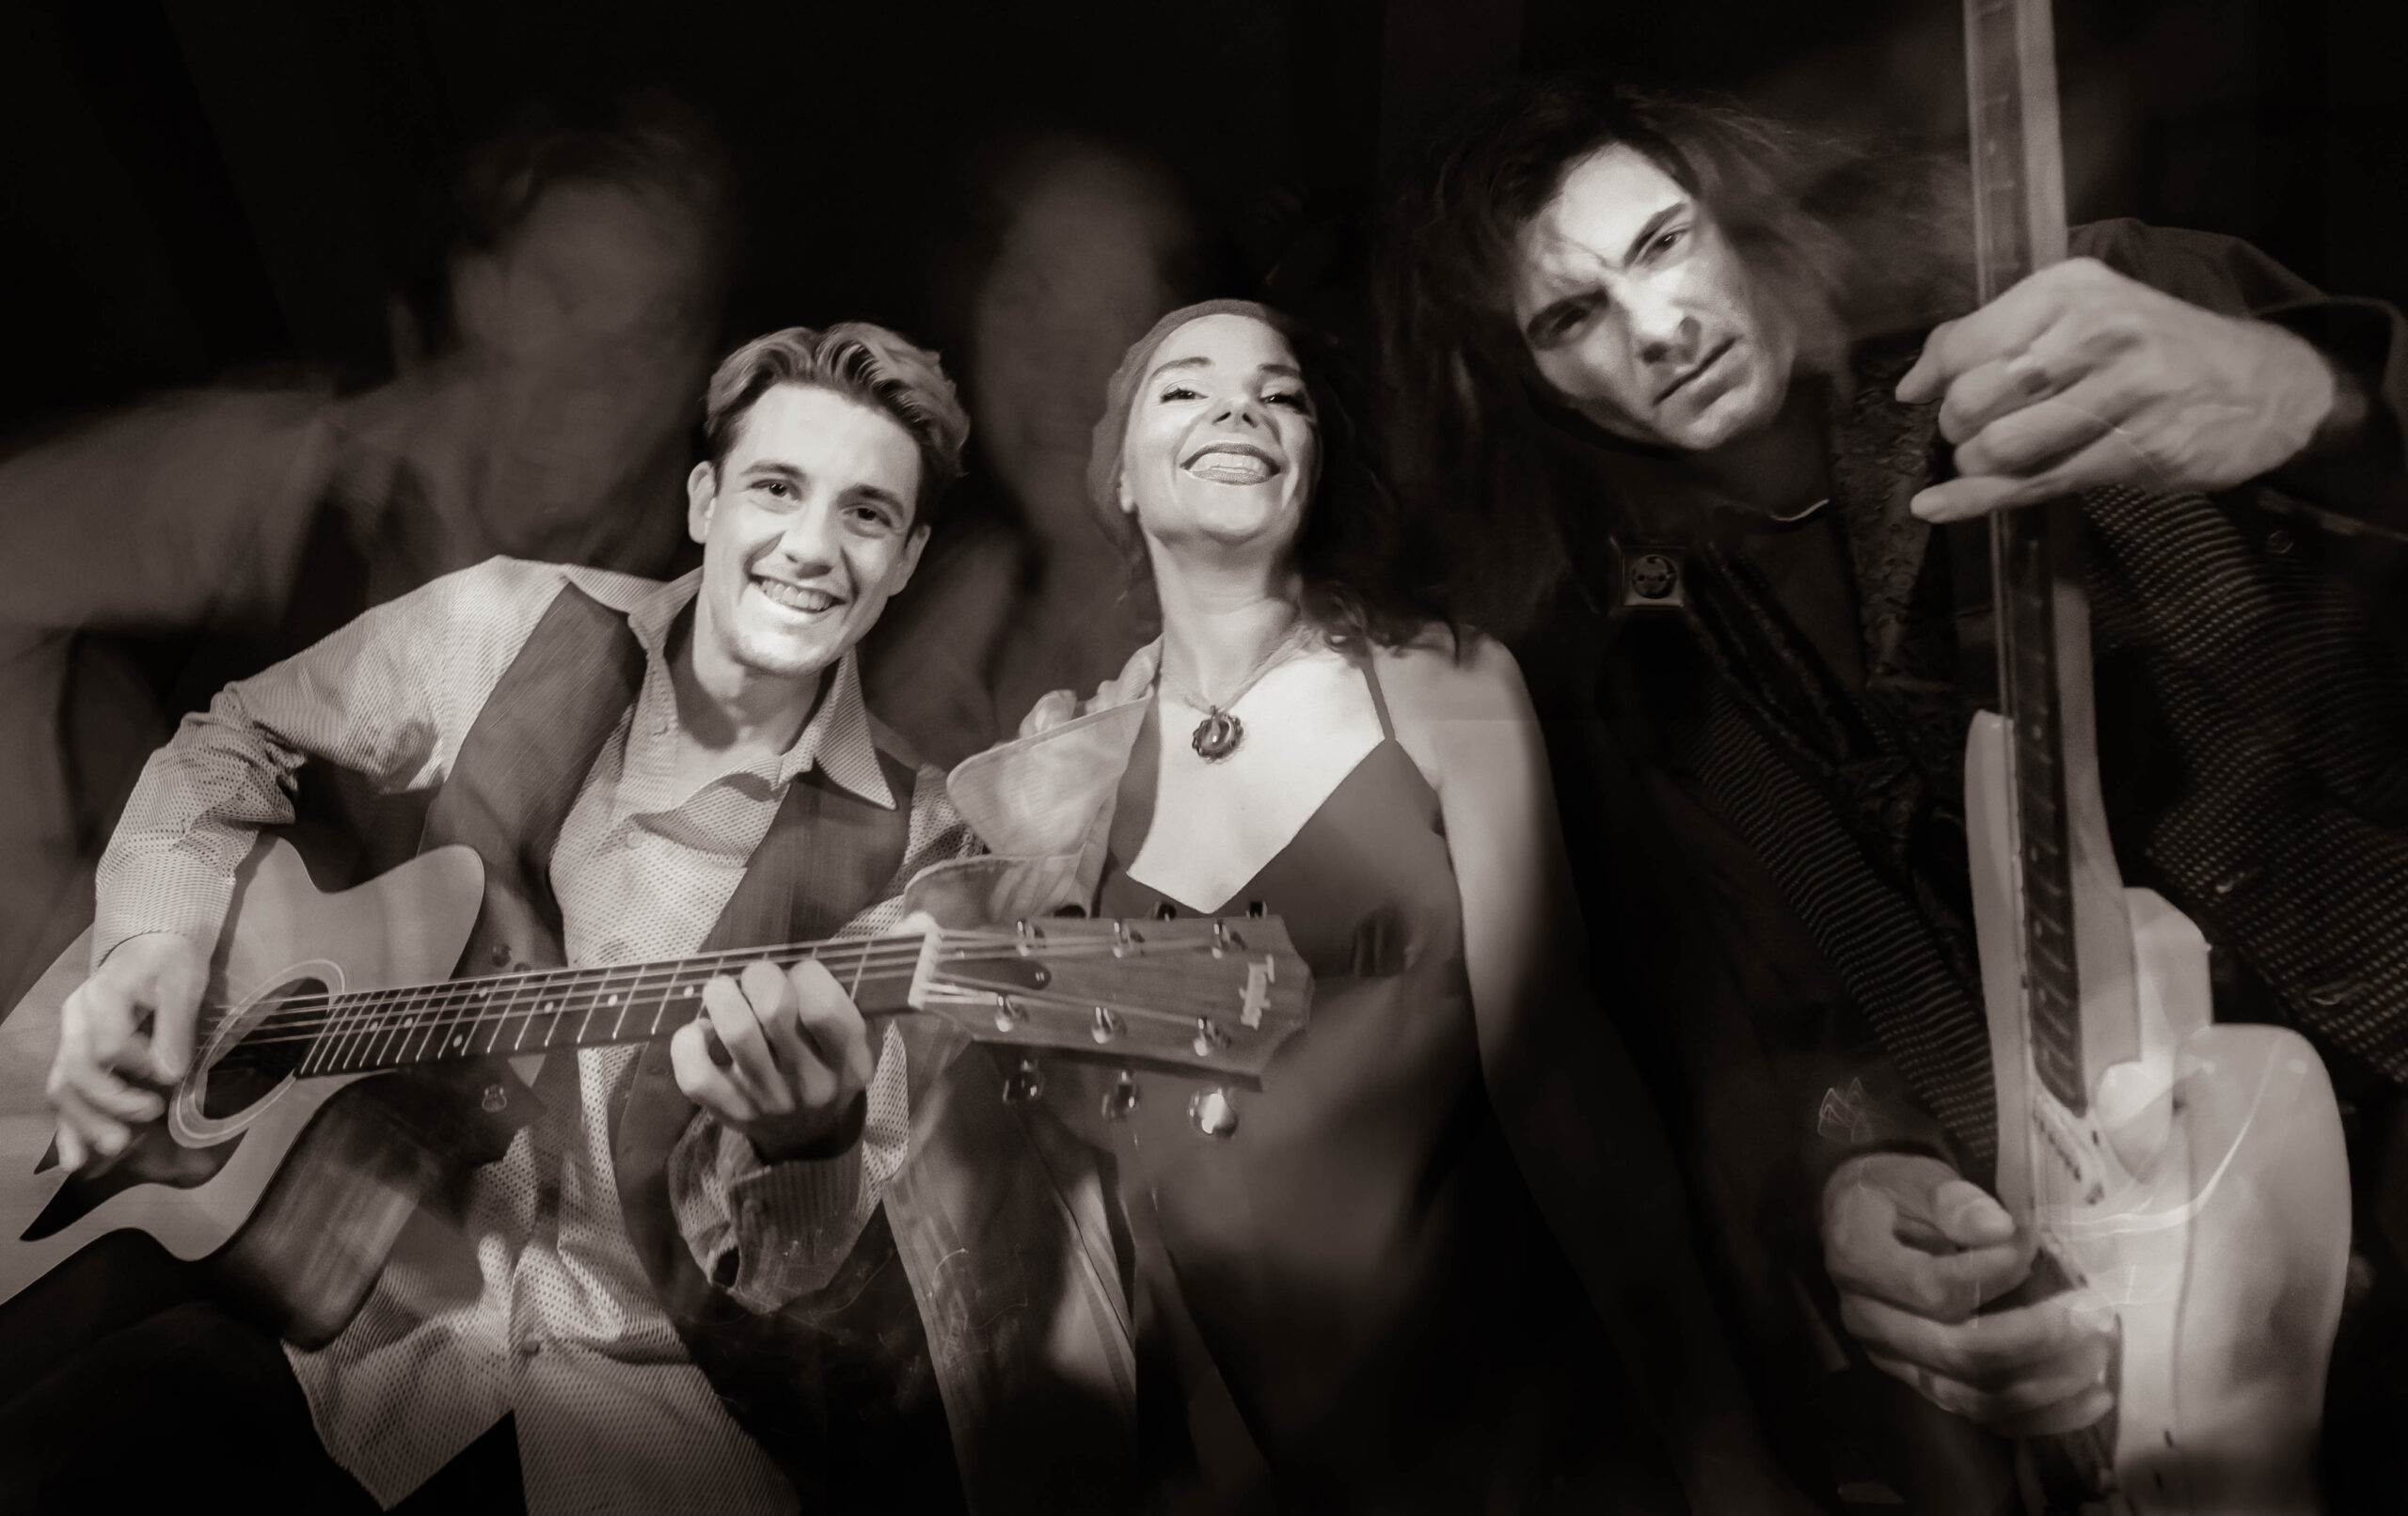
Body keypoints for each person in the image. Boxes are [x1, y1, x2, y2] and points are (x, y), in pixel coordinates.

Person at [1381, 77, 2408, 1511]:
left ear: (1737, 211)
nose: (1655, 328)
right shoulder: (1623, 643)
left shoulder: (2075, 292)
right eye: (1570, 317)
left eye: (1664, 242)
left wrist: (2313, 396)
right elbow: (1757, 1019)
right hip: (2157, 1319)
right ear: (1527, 378)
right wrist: (1854, 1178)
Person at [4, 323, 1126, 1516]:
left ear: (905, 559)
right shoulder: (510, 621)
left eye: (865, 514)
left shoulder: (923, 854)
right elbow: (237, 734)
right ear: (704, 500)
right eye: (776, 487)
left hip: (638, 1423)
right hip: (335, 1335)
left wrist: (810, 1144)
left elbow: (812, 1296)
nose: (810, 545)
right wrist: (154, 943)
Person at [945, 297, 1812, 1513]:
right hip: (1275, 1463)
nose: (1241, 408)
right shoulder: (1067, 779)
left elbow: (1558, 1070)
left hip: (1540, 1429)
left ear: (1312, 463)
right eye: (1185, 388)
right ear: (1122, 479)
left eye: (1281, 393)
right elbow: (1101, 1192)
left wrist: (1721, 1448)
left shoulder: (1442, 681)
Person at [0, 91, 733, 1010]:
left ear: (696, 375)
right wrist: (56, 921)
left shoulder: (712, 631)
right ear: (481, 293)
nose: (600, 375)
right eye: (562, 295)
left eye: (656, 329)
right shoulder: (311, 474)